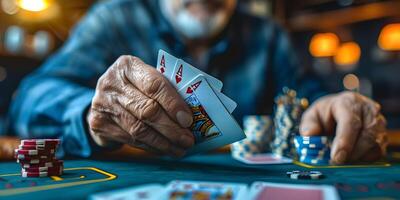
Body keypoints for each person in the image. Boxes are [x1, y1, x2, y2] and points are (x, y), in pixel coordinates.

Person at [10, 0, 387, 164]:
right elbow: (29, 99)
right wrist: (90, 114)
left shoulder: (267, 35)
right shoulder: (113, 19)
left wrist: (333, 107)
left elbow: (311, 101)